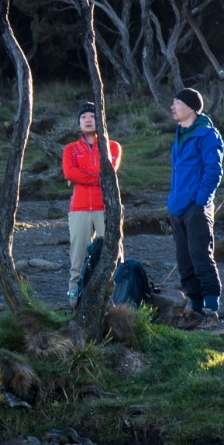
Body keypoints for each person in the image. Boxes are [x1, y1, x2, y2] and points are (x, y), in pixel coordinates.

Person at [166, 86, 224, 327]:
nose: (172, 107)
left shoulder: (207, 134)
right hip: (177, 207)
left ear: (190, 107)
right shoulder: (179, 134)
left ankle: (211, 307)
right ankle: (195, 305)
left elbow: (214, 170)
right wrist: (172, 202)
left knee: (201, 256)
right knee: (184, 259)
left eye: (176, 102)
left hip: (196, 207)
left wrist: (201, 200)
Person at [62, 101, 123, 301]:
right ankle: (74, 300)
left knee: (112, 254)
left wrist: (81, 176)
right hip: (79, 208)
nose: (88, 120)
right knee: (77, 256)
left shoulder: (112, 146)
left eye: (92, 116)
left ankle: (115, 298)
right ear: (79, 122)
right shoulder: (70, 149)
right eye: (83, 117)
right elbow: (69, 172)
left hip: (106, 207)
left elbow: (108, 171)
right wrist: (95, 178)